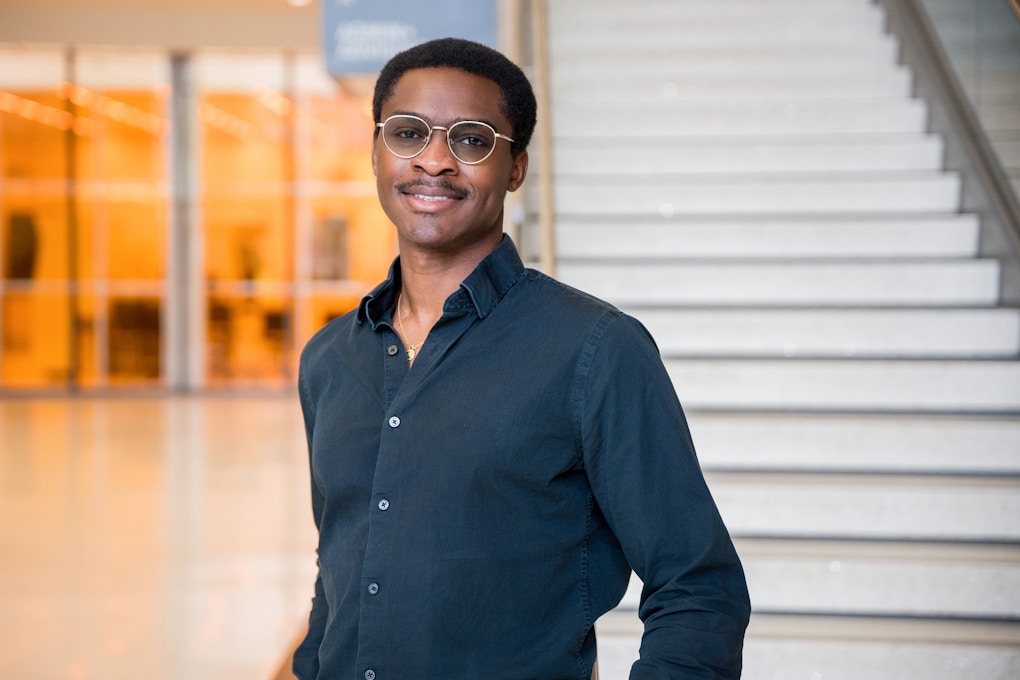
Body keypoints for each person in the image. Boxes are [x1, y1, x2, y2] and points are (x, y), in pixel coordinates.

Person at [294, 37, 750, 680]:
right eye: (407, 133)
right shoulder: (329, 359)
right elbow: (338, 564)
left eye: (472, 140)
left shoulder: (595, 350)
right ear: (375, 151)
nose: (434, 161)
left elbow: (699, 588)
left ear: (515, 168)